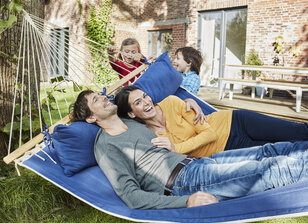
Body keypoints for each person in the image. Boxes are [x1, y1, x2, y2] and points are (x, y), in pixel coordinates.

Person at [70, 89, 308, 209]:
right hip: (184, 182)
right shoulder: (106, 146)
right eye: (95, 100)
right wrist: (184, 202)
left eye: (101, 94)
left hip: (199, 162)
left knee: (269, 151)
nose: (103, 97)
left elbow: (153, 99)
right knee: (264, 170)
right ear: (91, 119)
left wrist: (189, 101)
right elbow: (131, 196)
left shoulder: (132, 121)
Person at [115, 85, 308, 157]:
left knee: (297, 131)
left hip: (235, 121)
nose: (147, 102)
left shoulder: (172, 103)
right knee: (288, 149)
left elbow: (209, 133)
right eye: (138, 103)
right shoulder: (151, 137)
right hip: (229, 149)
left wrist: (177, 148)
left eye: (145, 96)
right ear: (132, 114)